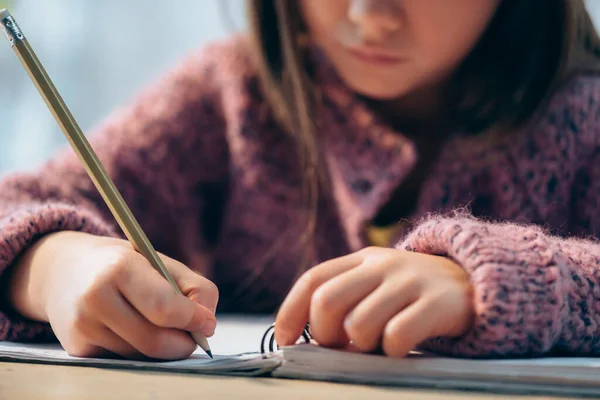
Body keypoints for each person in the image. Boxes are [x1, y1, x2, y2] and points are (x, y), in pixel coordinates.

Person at [0, 0, 599, 361]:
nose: (368, 15)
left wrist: (501, 284)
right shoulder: (230, 96)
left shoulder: (584, 118)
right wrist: (53, 266)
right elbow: (13, 208)